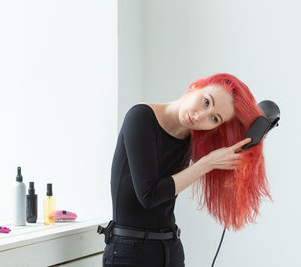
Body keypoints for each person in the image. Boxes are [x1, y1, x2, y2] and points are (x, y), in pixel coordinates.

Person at [99, 73, 271, 267]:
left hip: (170, 249)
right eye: (206, 102)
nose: (200, 116)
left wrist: (251, 139)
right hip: (129, 253)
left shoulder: (193, 140)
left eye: (214, 118)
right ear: (196, 86)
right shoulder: (140, 117)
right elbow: (149, 195)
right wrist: (207, 163)